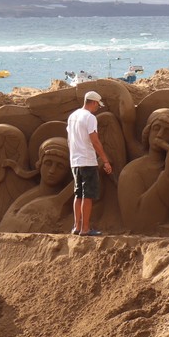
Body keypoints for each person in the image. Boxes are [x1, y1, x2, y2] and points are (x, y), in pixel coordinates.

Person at [67, 90, 113, 236]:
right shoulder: (90, 117)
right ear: (93, 102)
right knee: (88, 195)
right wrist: (105, 160)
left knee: (78, 194)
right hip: (87, 160)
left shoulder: (72, 116)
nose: (97, 108)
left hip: (75, 161)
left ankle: (76, 226)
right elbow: (95, 140)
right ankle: (85, 228)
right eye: (97, 105)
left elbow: (69, 139)